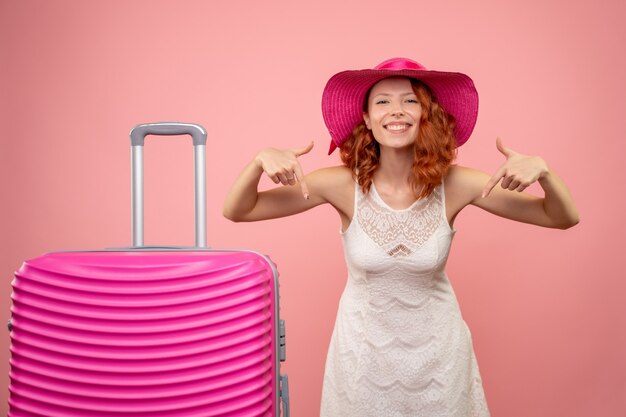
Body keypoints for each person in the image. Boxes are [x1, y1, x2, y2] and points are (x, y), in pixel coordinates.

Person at [223, 58, 579, 417]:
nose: (397, 110)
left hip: (440, 363)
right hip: (362, 361)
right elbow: (240, 210)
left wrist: (544, 172)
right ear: (366, 118)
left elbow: (561, 217)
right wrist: (258, 162)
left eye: (410, 101)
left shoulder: (456, 184)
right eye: (383, 101)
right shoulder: (341, 184)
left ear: (427, 114)